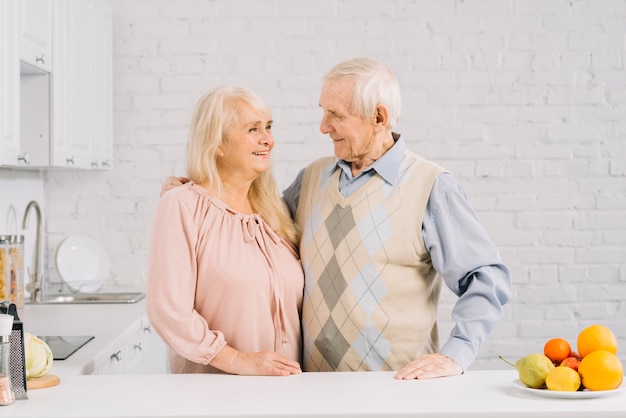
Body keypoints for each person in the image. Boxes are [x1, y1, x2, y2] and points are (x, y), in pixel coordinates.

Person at [162, 57, 512, 380]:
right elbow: (249, 228)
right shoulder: (312, 179)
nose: (323, 126)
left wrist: (456, 354)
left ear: (378, 117)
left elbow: (485, 277)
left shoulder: (432, 187)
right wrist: (198, 192)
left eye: (336, 115)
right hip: (311, 390)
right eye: (323, 112)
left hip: (397, 390)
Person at [148, 85, 304, 376]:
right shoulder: (182, 206)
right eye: (253, 129)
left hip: (286, 392)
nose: (267, 139)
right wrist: (238, 361)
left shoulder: (275, 211)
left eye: (268, 127)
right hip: (215, 395)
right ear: (218, 143)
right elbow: (168, 311)